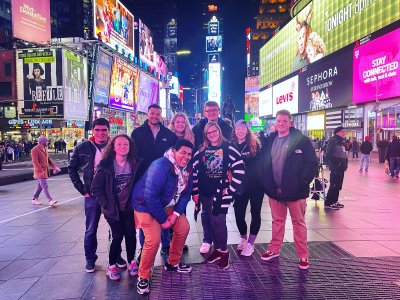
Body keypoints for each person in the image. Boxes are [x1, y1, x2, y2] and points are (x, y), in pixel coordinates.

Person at [132, 139, 194, 295]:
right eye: (183, 152)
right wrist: (164, 221)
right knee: (153, 240)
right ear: (174, 151)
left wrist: (176, 215)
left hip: (167, 205)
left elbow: (186, 194)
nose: (186, 157)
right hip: (144, 205)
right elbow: (150, 196)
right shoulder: (161, 165)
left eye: (189, 154)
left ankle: (173, 263)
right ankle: (143, 276)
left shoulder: (187, 168)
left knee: (183, 227)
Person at [260, 110, 317, 270]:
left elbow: (312, 163)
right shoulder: (270, 140)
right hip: (274, 190)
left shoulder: (301, 141)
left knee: (298, 222)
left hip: (296, 191)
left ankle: (303, 255)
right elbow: (264, 162)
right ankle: (274, 249)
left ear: (290, 122)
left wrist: (303, 181)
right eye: (278, 121)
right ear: (275, 123)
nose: (281, 124)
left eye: (285, 121)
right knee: (277, 222)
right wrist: (266, 182)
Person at [68, 118, 126, 273]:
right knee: (91, 229)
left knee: (115, 229)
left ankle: (117, 256)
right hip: (92, 195)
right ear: (93, 131)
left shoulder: (115, 145)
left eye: (104, 130)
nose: (101, 133)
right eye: (98, 130)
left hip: (112, 195)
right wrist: (82, 189)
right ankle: (90, 259)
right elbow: (71, 169)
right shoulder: (83, 147)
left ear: (108, 131)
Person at [192, 122, 245, 269]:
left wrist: (230, 189)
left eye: (214, 131)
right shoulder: (202, 150)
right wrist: (195, 192)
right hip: (205, 193)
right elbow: (195, 172)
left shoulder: (229, 147)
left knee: (218, 220)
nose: (212, 134)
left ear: (219, 131)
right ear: (205, 135)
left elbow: (240, 169)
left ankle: (224, 253)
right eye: (208, 133)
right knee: (210, 220)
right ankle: (218, 250)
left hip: (221, 192)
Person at [92, 134, 141, 281]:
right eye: (119, 144)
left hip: (128, 208)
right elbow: (96, 188)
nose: (123, 147)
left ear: (130, 146)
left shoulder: (134, 163)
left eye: (126, 144)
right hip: (112, 209)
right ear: (113, 147)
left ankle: (132, 261)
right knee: (117, 236)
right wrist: (105, 204)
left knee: (131, 235)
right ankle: (112, 265)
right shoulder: (105, 165)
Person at [131, 104, 177, 259]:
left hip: (163, 180)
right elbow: (132, 155)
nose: (155, 116)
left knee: (162, 210)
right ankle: (144, 248)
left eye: (158, 114)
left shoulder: (168, 134)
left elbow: (174, 155)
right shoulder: (137, 133)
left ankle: (166, 244)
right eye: (152, 113)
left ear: (161, 115)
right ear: (147, 114)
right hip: (143, 180)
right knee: (146, 214)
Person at [231, 120, 264, 256]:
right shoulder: (231, 146)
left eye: (243, 128)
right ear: (235, 130)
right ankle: (243, 238)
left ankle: (251, 242)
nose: (240, 131)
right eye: (238, 128)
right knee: (239, 214)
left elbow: (262, 163)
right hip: (239, 186)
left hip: (256, 185)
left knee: (255, 213)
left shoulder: (255, 144)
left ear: (247, 130)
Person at [31, 136, 61, 206]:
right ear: (43, 142)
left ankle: (34, 199)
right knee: (44, 185)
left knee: (40, 186)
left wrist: (54, 166)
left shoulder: (44, 149)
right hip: (39, 172)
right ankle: (50, 200)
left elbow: (48, 159)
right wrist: (41, 171)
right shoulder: (35, 149)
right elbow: (35, 161)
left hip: (44, 171)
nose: (48, 142)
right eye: (47, 141)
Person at [325, 126, 348, 210]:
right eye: (343, 131)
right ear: (337, 132)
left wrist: (345, 163)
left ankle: (335, 201)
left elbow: (343, 154)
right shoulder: (332, 141)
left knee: (338, 185)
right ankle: (329, 202)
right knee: (334, 185)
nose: (344, 133)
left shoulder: (341, 142)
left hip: (341, 167)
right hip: (335, 167)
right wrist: (337, 162)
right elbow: (328, 154)